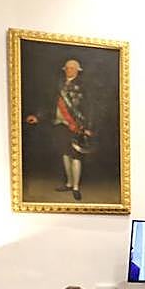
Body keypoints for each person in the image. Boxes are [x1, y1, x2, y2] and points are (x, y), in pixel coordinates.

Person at [24, 58, 95, 201]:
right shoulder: (58, 85)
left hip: (76, 125)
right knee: (65, 154)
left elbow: (90, 108)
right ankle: (69, 183)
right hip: (60, 124)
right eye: (67, 68)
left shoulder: (84, 86)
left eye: (72, 68)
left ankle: (76, 187)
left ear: (77, 70)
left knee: (76, 155)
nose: (69, 70)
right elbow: (49, 104)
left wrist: (88, 127)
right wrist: (38, 117)